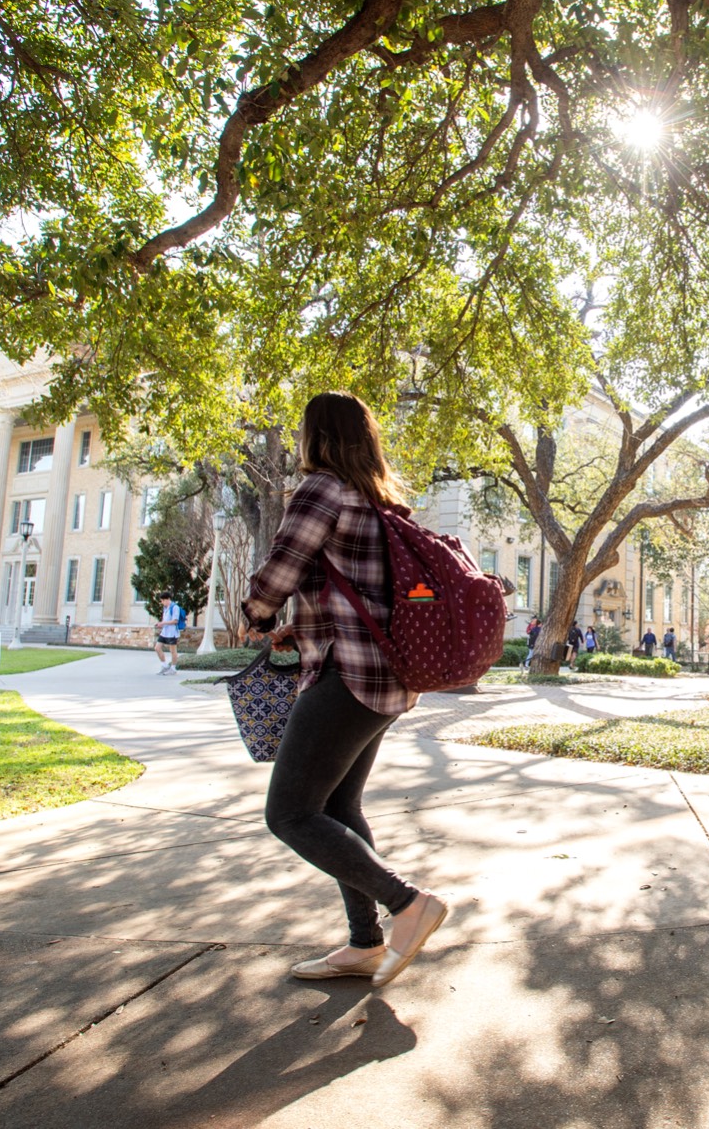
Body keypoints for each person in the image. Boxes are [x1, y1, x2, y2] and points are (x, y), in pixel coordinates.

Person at [241, 392, 448, 989]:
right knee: (337, 807)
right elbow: (354, 592)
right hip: (383, 674)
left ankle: (408, 904)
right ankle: (365, 943)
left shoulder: (321, 489)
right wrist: (295, 628)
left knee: (290, 813)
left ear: (315, 436)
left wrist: (255, 613)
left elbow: (282, 566)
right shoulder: (377, 497)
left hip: (346, 674)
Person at [153, 591, 184, 675]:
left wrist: (163, 623)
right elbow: (165, 619)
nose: (162, 602)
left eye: (163, 600)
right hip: (164, 632)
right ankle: (164, 665)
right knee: (157, 648)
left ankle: (173, 669)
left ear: (167, 599)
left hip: (172, 633)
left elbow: (175, 621)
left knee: (173, 651)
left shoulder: (175, 607)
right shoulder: (165, 608)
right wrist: (160, 624)